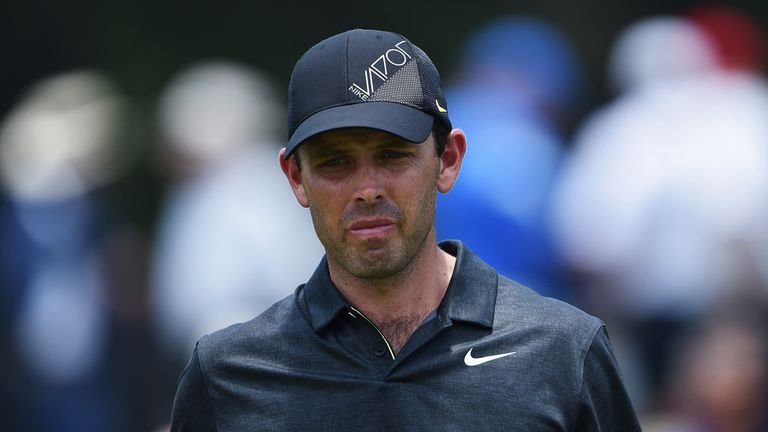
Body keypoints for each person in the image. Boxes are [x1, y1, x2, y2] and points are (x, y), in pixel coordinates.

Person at [170, 28, 640, 431]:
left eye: (393, 155)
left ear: (448, 160)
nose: (368, 189)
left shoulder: (562, 352)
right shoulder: (228, 374)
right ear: (296, 178)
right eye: (336, 162)